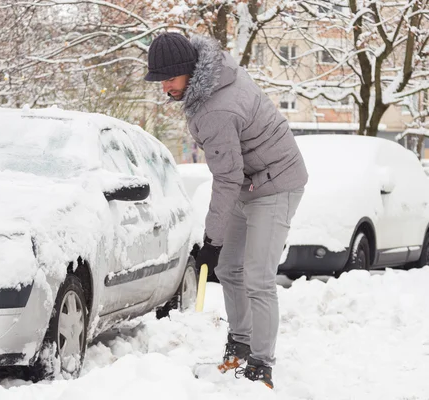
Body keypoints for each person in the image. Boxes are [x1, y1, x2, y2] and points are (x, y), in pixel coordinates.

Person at [144, 32, 308, 389]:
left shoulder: (216, 107)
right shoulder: (210, 82)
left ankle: (261, 366)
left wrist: (211, 239)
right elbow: (232, 174)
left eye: (169, 79)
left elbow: (226, 178)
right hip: (250, 179)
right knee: (229, 268)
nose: (164, 88)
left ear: (188, 70)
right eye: (160, 81)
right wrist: (216, 246)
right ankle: (241, 345)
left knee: (258, 277)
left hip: (277, 183)